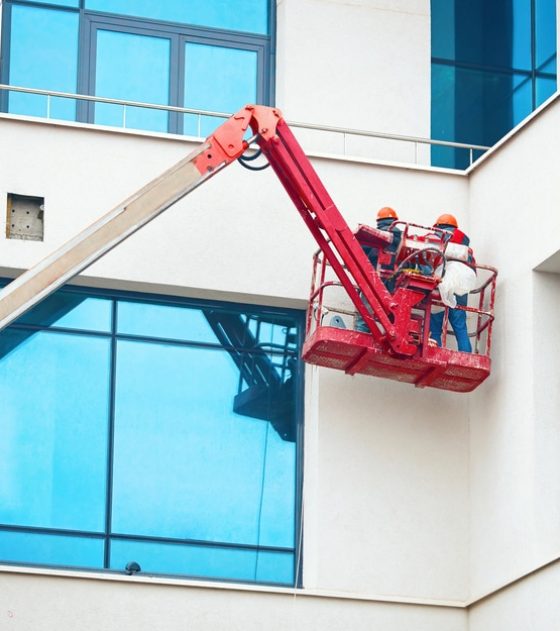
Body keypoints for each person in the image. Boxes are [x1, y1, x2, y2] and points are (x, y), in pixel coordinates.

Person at [429, 213, 476, 353]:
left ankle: (434, 354)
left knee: (435, 326)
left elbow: (428, 259)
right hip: (460, 287)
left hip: (440, 284)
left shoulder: (437, 238)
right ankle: (466, 356)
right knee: (460, 327)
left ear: (437, 226)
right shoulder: (464, 244)